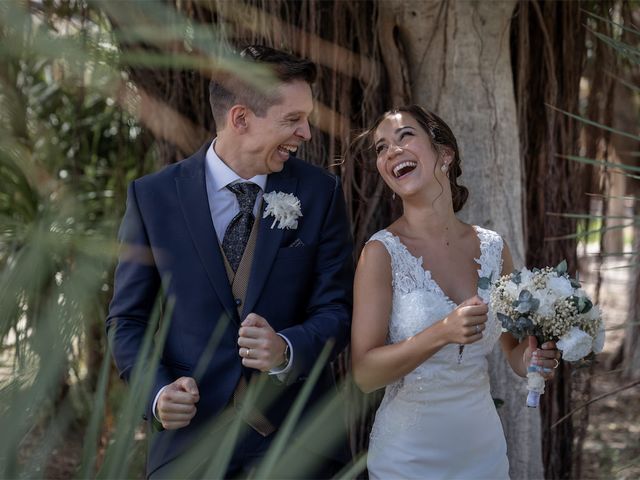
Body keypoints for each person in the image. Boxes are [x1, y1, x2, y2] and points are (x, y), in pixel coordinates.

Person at [107, 45, 353, 478]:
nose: (307, 133)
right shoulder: (153, 198)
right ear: (241, 118)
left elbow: (337, 309)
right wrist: (158, 392)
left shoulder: (320, 193)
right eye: (293, 119)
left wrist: (286, 349)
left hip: (299, 439)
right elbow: (128, 321)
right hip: (189, 444)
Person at [349, 105, 560, 479]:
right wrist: (441, 332)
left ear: (445, 154)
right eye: (381, 148)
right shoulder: (381, 253)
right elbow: (365, 374)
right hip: (407, 459)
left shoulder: (494, 248)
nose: (392, 152)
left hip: (483, 452)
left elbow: (512, 348)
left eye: (404, 137)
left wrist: (532, 361)